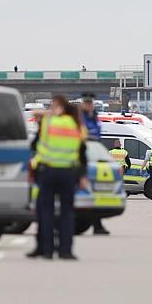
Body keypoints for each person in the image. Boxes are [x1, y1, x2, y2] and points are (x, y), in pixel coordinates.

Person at [28, 96, 86, 259]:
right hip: (68, 173)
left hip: (48, 171)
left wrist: (50, 112)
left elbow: (36, 115)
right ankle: (65, 250)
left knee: (46, 212)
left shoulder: (49, 122)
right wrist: (82, 175)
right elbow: (82, 151)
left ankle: (47, 250)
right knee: (67, 213)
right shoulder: (76, 125)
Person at [79, 94, 109, 235]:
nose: (88, 105)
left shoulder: (94, 116)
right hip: (82, 156)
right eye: (86, 102)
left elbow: (98, 135)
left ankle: (97, 225)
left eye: (90, 102)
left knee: (95, 193)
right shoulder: (80, 118)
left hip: (94, 155)